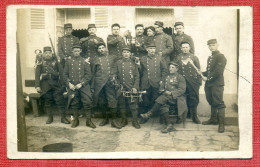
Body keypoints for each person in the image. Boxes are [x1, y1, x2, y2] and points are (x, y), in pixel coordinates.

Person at [140, 62, 187, 133]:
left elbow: (182, 90)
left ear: (177, 69)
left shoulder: (180, 77)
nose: (170, 69)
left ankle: (149, 114)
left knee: (162, 98)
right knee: (163, 106)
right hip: (166, 98)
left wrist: (171, 93)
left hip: (177, 98)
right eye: (170, 67)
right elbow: (161, 88)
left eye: (172, 67)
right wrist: (163, 91)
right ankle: (169, 125)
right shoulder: (166, 77)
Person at [35, 46, 70, 124]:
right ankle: (50, 118)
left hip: (56, 85)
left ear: (52, 54)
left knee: (60, 101)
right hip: (45, 85)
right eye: (46, 53)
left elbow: (62, 74)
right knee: (48, 102)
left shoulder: (56, 62)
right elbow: (37, 75)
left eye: (49, 53)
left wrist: (63, 86)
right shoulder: (40, 63)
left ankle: (63, 118)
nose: (48, 54)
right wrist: (37, 86)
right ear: (43, 54)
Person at [63, 45, 95, 128]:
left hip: (83, 85)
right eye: (75, 51)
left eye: (78, 51)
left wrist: (81, 83)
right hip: (72, 86)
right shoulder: (68, 62)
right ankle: (76, 120)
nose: (76, 52)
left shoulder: (84, 62)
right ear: (72, 52)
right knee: (74, 102)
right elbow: (64, 74)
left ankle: (88, 120)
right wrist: (69, 83)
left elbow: (89, 75)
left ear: (80, 51)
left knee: (87, 101)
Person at [92, 43, 121, 129]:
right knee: (101, 102)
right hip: (99, 83)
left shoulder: (112, 57)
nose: (101, 49)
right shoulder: (95, 59)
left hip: (109, 82)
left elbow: (116, 67)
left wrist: (113, 76)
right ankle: (105, 118)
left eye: (102, 48)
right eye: (99, 48)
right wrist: (93, 86)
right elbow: (93, 73)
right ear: (97, 50)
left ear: (106, 49)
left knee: (112, 101)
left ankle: (114, 120)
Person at [200, 39, 227, 133]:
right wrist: (202, 73)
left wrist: (208, 78)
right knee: (211, 101)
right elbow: (209, 71)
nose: (211, 47)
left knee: (219, 103)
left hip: (217, 84)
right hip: (209, 84)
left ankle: (221, 125)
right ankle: (213, 119)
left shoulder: (221, 57)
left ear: (217, 45)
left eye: (213, 45)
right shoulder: (210, 57)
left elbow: (218, 71)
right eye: (209, 45)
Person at [138, 43, 168, 123]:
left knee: (157, 99)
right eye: (150, 48)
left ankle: (161, 117)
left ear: (155, 49)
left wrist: (162, 80)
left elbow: (164, 70)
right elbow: (140, 72)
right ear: (147, 50)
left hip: (156, 81)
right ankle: (145, 117)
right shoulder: (143, 59)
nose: (152, 50)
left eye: (153, 48)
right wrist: (138, 66)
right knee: (145, 100)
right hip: (146, 82)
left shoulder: (160, 58)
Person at [112, 47, 141, 129]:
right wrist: (117, 84)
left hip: (131, 87)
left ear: (130, 54)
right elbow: (114, 74)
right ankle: (123, 120)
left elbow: (137, 76)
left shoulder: (133, 63)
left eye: (128, 52)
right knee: (122, 104)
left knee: (133, 104)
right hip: (121, 87)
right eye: (124, 52)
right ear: (122, 53)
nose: (126, 54)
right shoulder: (118, 63)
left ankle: (135, 121)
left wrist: (135, 87)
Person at [177, 41, 202, 124]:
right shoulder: (178, 58)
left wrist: (198, 81)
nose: (185, 49)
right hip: (182, 82)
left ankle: (194, 116)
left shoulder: (194, 57)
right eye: (183, 47)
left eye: (186, 47)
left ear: (190, 48)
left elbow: (198, 70)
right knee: (181, 98)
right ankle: (181, 116)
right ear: (181, 48)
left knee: (193, 98)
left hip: (192, 81)